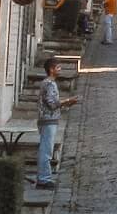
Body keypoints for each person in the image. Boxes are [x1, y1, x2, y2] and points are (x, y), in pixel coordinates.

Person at [35, 58, 78, 189]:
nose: (60, 69)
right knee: (46, 150)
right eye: (58, 67)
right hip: (48, 120)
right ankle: (44, 179)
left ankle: (44, 177)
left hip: (48, 119)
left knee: (46, 149)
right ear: (51, 69)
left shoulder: (49, 83)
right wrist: (67, 101)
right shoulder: (49, 84)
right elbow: (52, 103)